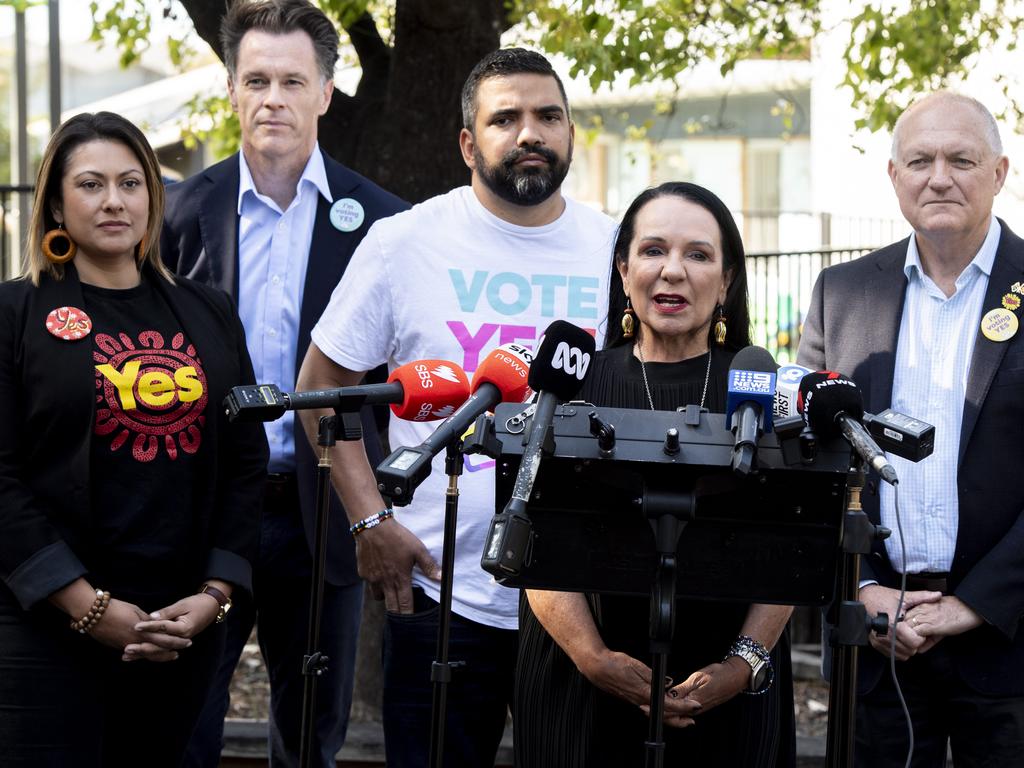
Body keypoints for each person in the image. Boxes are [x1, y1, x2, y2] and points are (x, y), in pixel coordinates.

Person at [295, 47, 617, 767]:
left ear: (571, 133)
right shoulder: (407, 241)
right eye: (506, 118)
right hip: (441, 595)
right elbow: (321, 390)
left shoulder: (619, 250)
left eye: (548, 116)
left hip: (586, 594)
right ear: (469, 143)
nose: (530, 131)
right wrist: (370, 520)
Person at [161, 2, 407, 765]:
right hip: (207, 515)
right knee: (184, 727)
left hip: (323, 515)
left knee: (310, 741)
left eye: (293, 81)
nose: (274, 98)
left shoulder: (381, 222)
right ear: (232, 90)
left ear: (325, 93)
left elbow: (395, 381)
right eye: (257, 79)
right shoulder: (176, 216)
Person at [0, 111, 265, 767]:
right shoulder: (13, 314)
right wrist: (88, 608)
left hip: (177, 628)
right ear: (56, 204)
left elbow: (245, 463)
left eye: (130, 183)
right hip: (47, 628)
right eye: (90, 185)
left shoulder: (210, 311)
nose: (114, 201)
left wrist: (214, 596)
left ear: (153, 195)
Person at [514, 182, 796, 767]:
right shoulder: (572, 385)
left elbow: (791, 546)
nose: (673, 271)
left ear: (726, 281)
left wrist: (742, 665)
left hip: (725, 691)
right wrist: (593, 657)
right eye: (652, 251)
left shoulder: (763, 390)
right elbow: (528, 537)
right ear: (623, 270)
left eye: (698, 254)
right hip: (582, 682)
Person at [798, 91, 1024, 766]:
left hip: (1009, 640)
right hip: (876, 645)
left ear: (1000, 173)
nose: (939, 176)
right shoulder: (841, 295)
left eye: (962, 158)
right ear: (895, 177)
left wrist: (976, 604)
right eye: (920, 160)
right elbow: (811, 460)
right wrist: (862, 585)